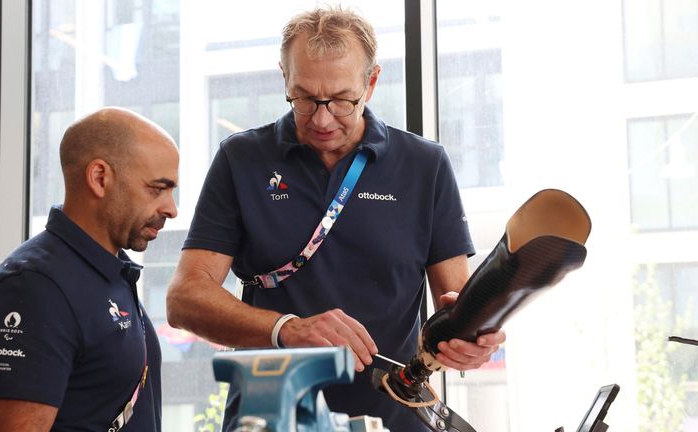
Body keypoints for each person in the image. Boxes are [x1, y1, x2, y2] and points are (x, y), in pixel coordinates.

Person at [166, 6, 505, 431]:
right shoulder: (242, 159)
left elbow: (456, 305)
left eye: (343, 100)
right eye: (305, 98)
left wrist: (469, 341)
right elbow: (184, 299)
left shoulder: (425, 165)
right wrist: (287, 328)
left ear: (372, 82)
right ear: (283, 78)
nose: (322, 119)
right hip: (270, 418)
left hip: (396, 418)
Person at [0, 107, 178, 431]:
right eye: (157, 189)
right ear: (99, 178)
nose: (171, 209)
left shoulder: (109, 270)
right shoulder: (33, 287)